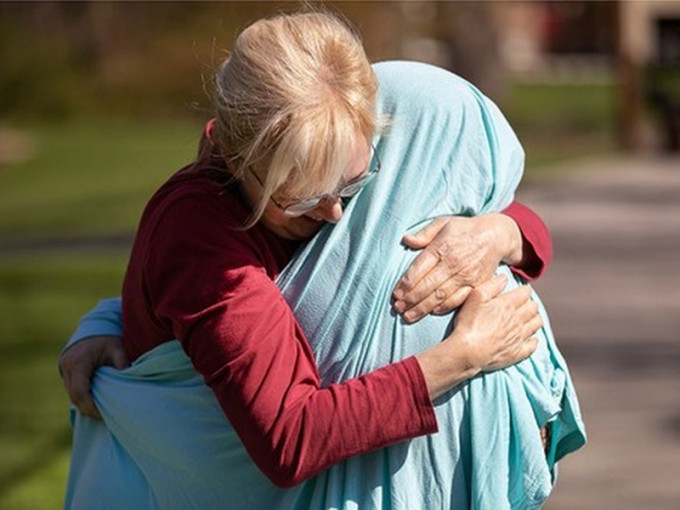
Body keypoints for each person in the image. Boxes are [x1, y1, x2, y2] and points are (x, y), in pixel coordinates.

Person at [59, 11, 584, 510]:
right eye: (307, 198)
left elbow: (506, 215)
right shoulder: (202, 237)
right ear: (239, 158)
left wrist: (500, 233)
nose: (335, 213)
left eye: (353, 186)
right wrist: (463, 356)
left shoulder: (311, 166)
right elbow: (290, 439)